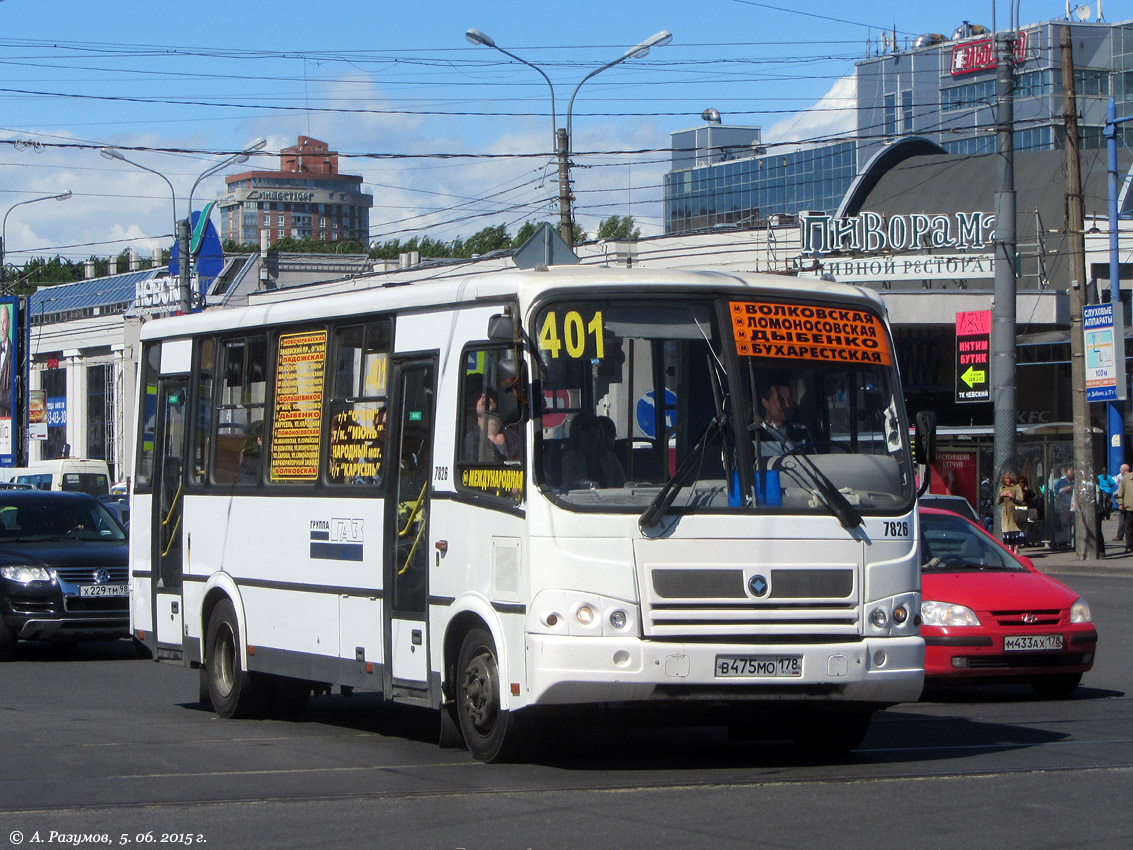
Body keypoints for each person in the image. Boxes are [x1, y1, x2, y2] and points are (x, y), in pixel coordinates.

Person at [560, 411, 625, 489]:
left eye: (596, 426)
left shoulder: (611, 458)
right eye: (585, 427)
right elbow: (571, 488)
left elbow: (622, 484)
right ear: (576, 432)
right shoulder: (570, 460)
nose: (592, 432)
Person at [754, 376, 813, 453]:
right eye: (781, 399)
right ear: (765, 402)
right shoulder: (752, 435)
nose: (787, 405)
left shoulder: (802, 431)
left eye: (790, 399)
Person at [462, 392, 520, 462]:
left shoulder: (514, 437)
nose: (484, 395)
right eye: (479, 396)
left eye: (491, 395)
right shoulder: (472, 440)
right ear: (475, 407)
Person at [998, 470, 1025, 554]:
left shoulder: (1016, 487)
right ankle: (1010, 550)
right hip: (1006, 514)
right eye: (1006, 479)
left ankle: (1016, 551)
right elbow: (997, 502)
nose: (1007, 480)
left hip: (1015, 513)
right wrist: (1001, 496)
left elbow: (1021, 499)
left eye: (1009, 479)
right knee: (1008, 533)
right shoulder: (1002, 488)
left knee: (1016, 531)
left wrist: (1012, 497)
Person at [0, 304, 12, 419]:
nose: (2, 328)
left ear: (8, 323)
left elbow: (16, 394)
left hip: (6, 418)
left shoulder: (14, 353)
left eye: (4, 322)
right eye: (0, 323)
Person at [1114, 463, 1130, 541]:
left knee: (1124, 520)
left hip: (1126, 503)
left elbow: (1121, 490)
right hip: (1128, 502)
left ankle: (1120, 536)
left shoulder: (1124, 479)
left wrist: (1119, 501)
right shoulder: (1124, 478)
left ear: (1123, 470)